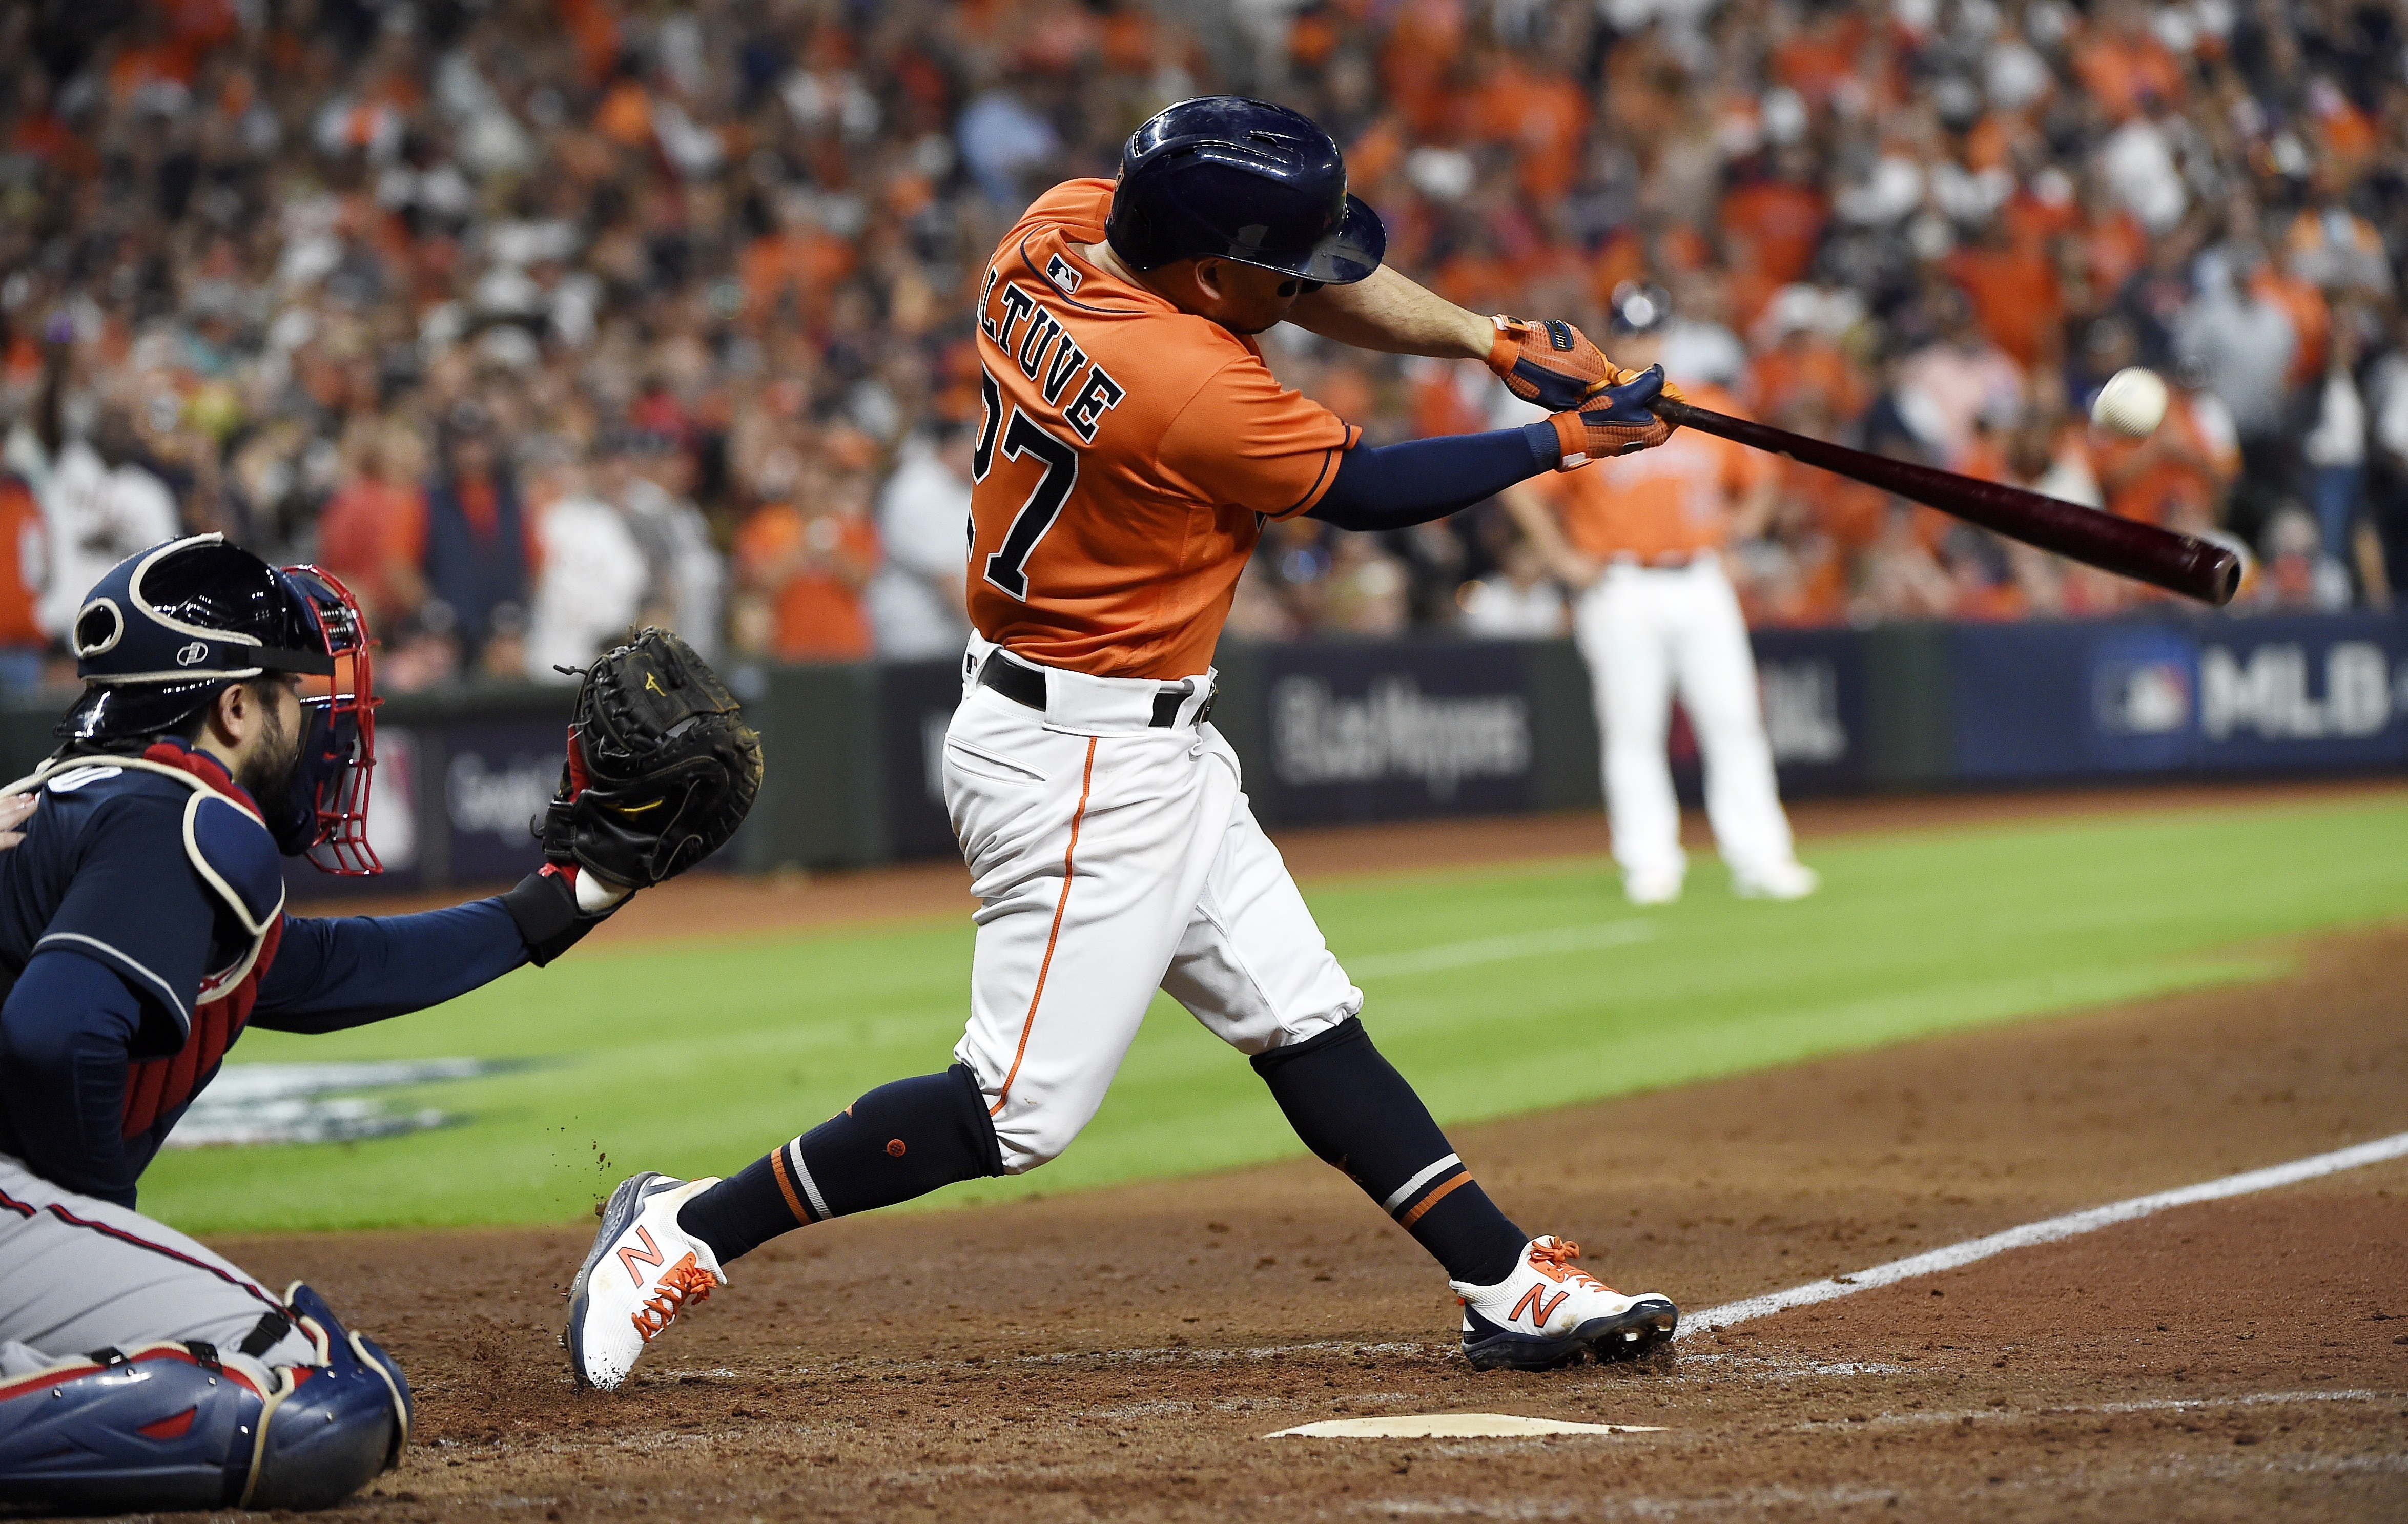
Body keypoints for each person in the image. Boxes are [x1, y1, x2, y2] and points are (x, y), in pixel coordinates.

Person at [566, 96, 1689, 1393]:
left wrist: (1485, 339)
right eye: (1278, 264)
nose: (1303, 281)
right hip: (1079, 758)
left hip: (1125, 728)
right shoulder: (1191, 387)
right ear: (1212, 273)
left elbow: (1278, 291)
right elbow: (1370, 489)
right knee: (1011, 1108)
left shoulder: (1057, 227)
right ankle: (685, 1227)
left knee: (1300, 1013)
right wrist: (1562, 441)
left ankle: (1504, 1279)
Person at [0, 534, 643, 1511]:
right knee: (320, 1393)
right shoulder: (187, 808)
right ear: (233, 704)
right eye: (294, 691)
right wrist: (100, 1214)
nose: (318, 719)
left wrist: (569, 895)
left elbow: (322, 968)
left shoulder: (79, 803)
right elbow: (53, 1034)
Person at [1500, 286, 1816, 905]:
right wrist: (1562, 558)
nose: (1642, 344)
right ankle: (1650, 864)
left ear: (1666, 337)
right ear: (1613, 340)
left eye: (1651, 333)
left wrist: (1743, 530)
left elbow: (1763, 475)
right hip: (1620, 586)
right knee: (1632, 732)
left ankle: (1762, 857)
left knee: (1734, 721)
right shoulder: (1588, 410)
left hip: (1700, 578)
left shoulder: (1704, 405)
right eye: (1631, 333)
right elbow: (1522, 487)